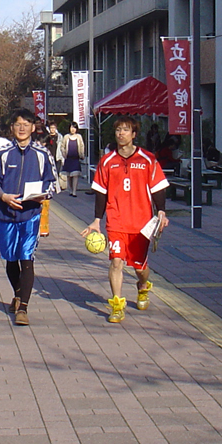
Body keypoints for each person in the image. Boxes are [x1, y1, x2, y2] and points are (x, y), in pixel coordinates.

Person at [82, 115, 170, 323]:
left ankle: (142, 286)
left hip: (141, 223)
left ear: (134, 134)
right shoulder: (107, 161)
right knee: (116, 262)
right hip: (116, 221)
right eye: (118, 130)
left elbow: (158, 188)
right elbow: (101, 192)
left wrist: (162, 212)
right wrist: (97, 220)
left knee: (140, 267)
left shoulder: (147, 159)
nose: (121, 134)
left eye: (125, 130)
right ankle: (117, 305)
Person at [0, 108, 57, 326]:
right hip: (6, 214)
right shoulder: (2, 153)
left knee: (27, 257)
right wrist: (4, 196)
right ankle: (18, 294)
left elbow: (52, 183)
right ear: (12, 128)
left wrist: (42, 196)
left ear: (34, 128)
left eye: (26, 124)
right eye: (18, 124)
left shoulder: (43, 154)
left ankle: (23, 307)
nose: (22, 128)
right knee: (10, 259)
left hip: (30, 215)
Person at [56, 122, 85, 196]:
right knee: (69, 175)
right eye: (71, 127)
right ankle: (71, 189)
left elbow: (82, 146)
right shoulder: (66, 137)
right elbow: (62, 146)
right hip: (68, 158)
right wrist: (63, 153)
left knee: (75, 175)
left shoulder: (79, 136)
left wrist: (82, 154)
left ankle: (74, 191)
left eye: (74, 128)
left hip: (76, 158)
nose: (73, 129)